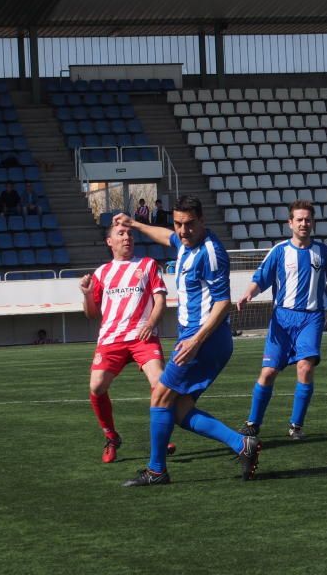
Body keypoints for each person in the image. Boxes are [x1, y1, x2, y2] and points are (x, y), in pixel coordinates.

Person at [112, 196, 260, 487]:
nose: (182, 230)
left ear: (202, 221)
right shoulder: (184, 242)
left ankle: (157, 471)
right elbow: (166, 236)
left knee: (160, 397)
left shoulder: (210, 252)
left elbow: (223, 303)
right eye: (178, 224)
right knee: (179, 410)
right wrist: (136, 224)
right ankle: (242, 444)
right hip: (195, 339)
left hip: (205, 340)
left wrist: (196, 340)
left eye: (189, 224)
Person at [236, 200, 327, 440]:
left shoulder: (322, 252)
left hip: (312, 318)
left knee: (305, 367)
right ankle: (253, 423)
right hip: (282, 318)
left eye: (308, 219)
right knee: (269, 372)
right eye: (299, 219)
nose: (304, 223)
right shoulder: (279, 251)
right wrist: (248, 294)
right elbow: (261, 278)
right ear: (290, 223)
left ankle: (296, 426)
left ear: (313, 223)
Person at [78, 219, 169, 464]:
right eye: (121, 234)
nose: (127, 237)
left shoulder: (148, 265)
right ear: (110, 241)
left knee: (159, 381)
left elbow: (160, 301)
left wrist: (150, 324)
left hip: (143, 336)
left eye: (129, 234)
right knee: (96, 387)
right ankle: (111, 436)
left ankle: (161, 434)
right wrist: (87, 295)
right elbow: (92, 313)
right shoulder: (101, 273)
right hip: (111, 339)